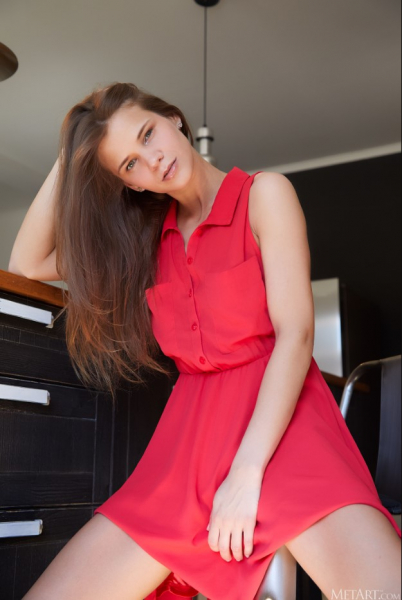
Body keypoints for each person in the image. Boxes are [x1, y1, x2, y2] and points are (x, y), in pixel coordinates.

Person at [9, 82, 401, 600]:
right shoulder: (142, 241)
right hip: (185, 453)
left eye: (148, 134)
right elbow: (26, 264)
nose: (152, 160)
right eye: (130, 164)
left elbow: (296, 335)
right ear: (128, 183)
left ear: (173, 119)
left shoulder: (265, 194)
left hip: (286, 430)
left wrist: (246, 473)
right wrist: (71, 152)